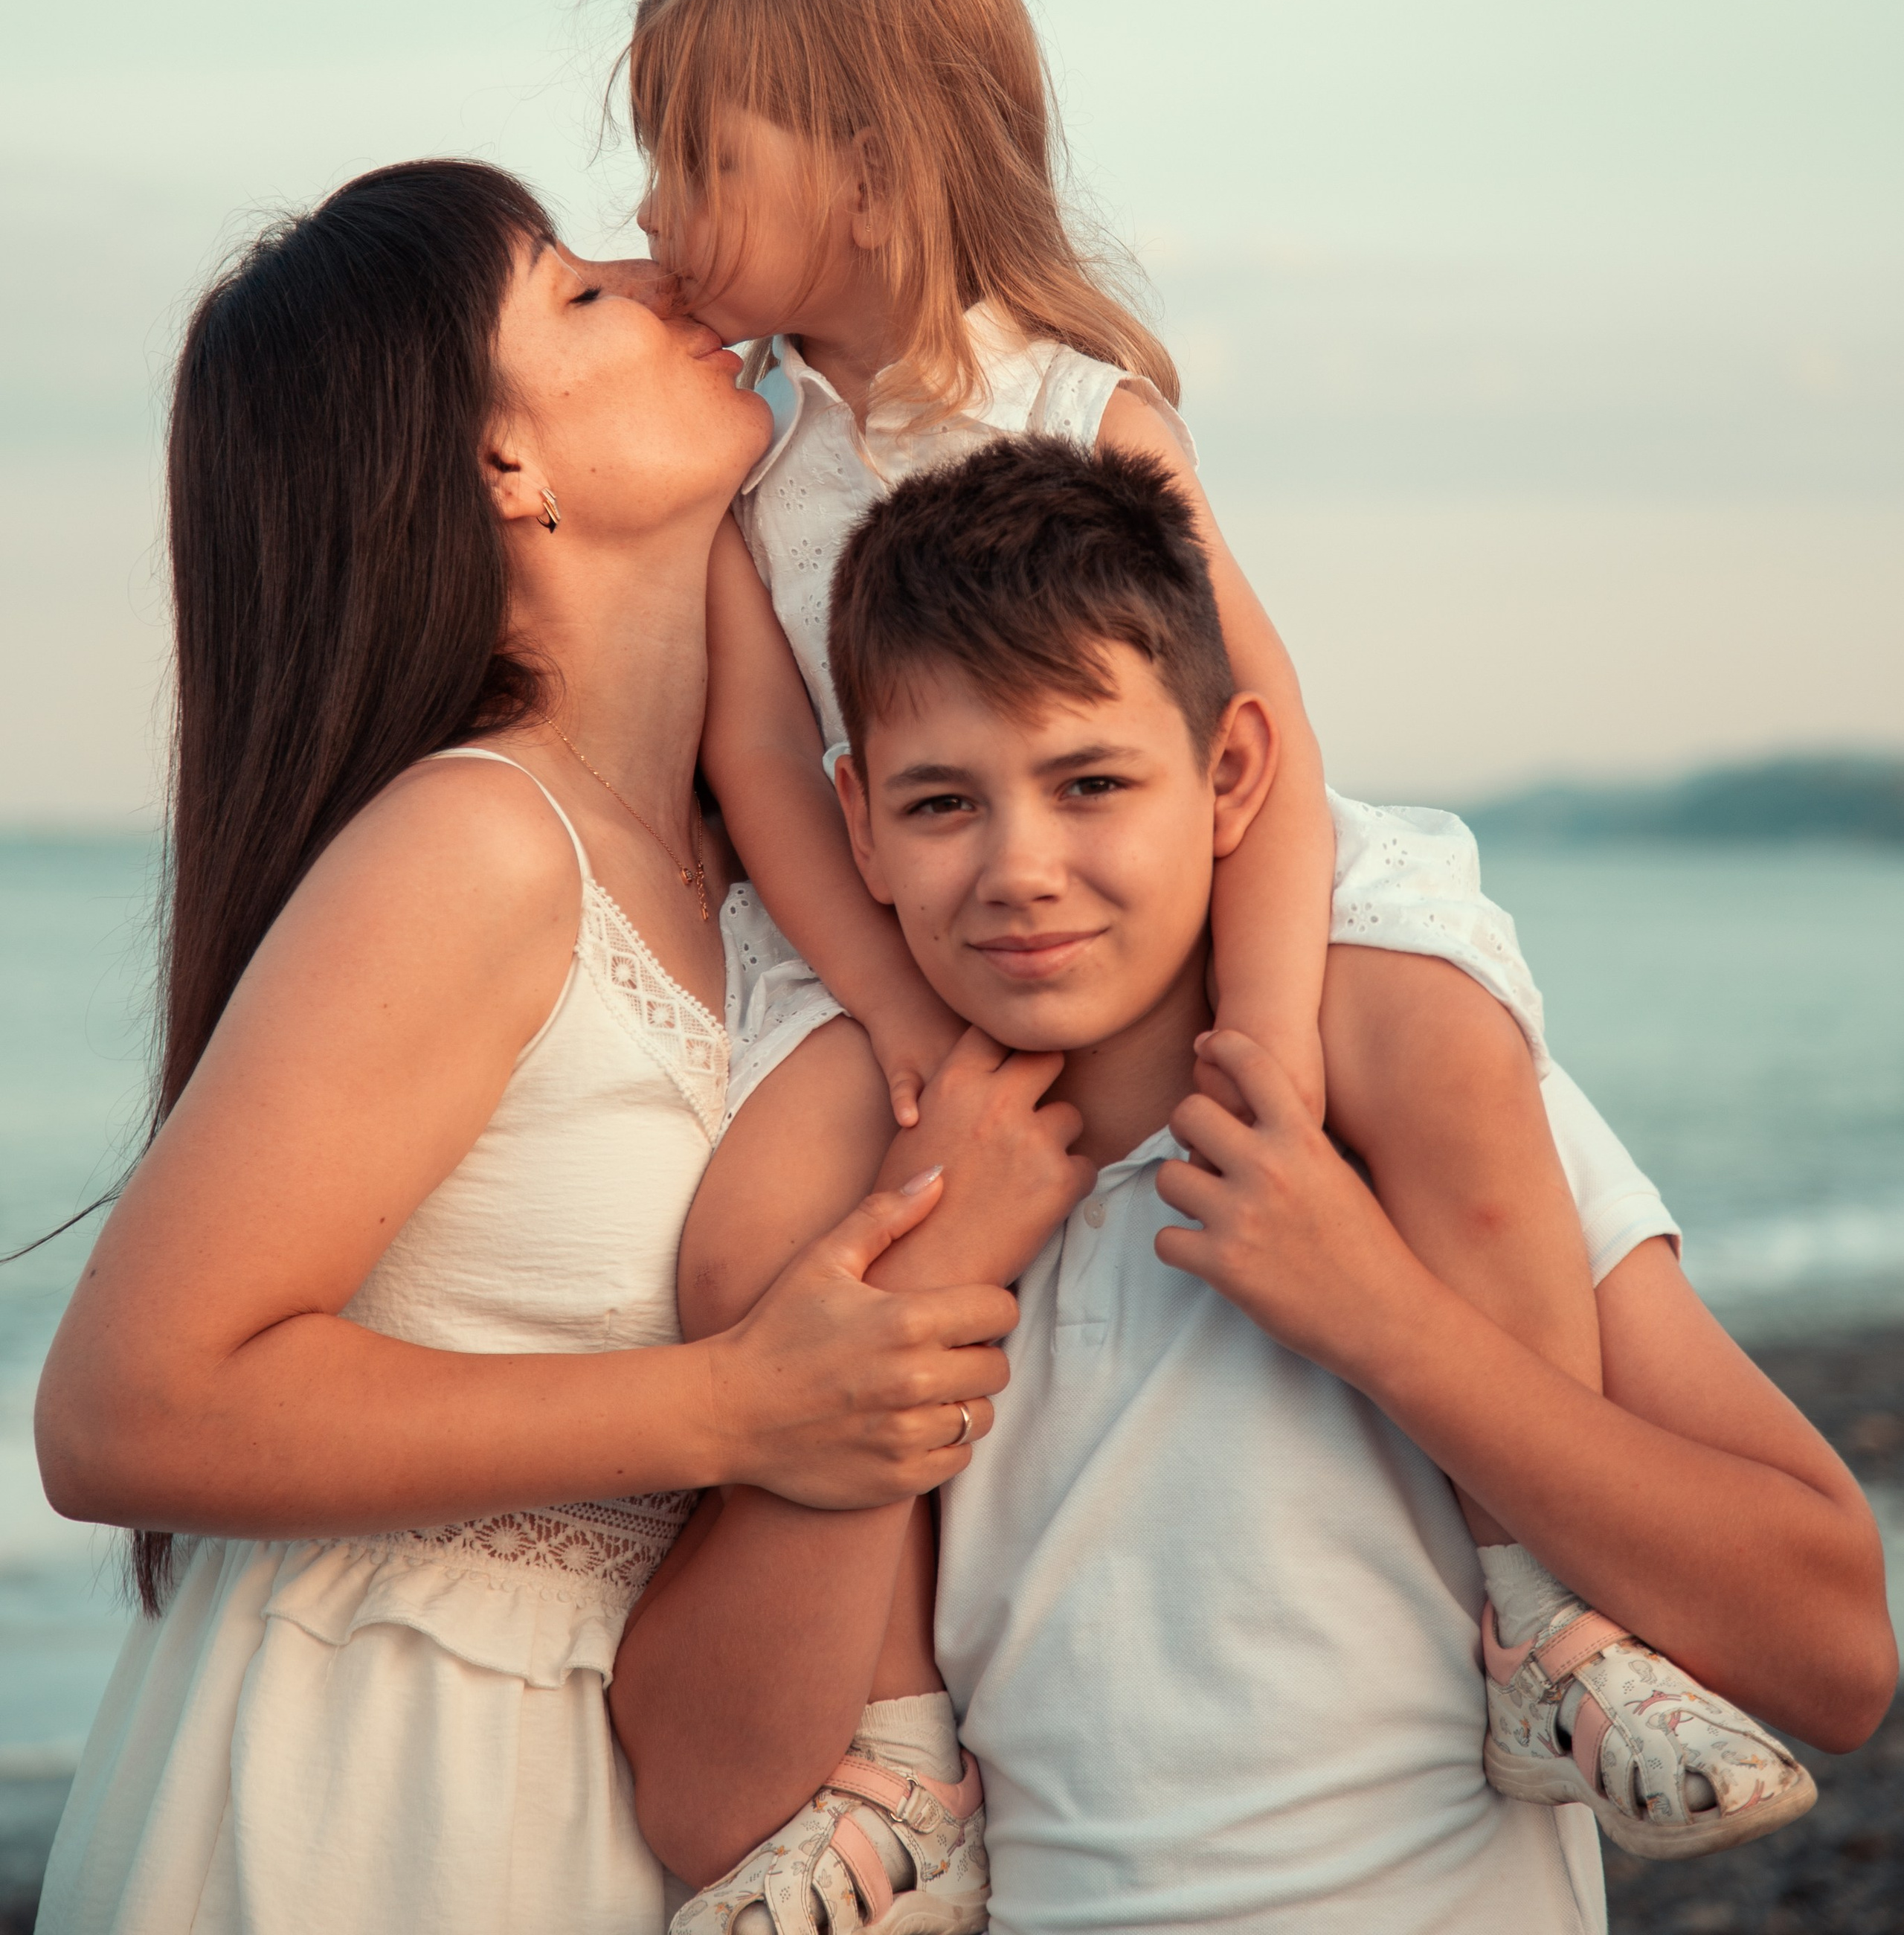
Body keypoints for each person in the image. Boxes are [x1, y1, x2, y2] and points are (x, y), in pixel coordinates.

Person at [617, 0, 1823, 1825]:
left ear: (860, 169)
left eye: (695, 157)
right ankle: (895, 1752)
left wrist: (1261, 1041)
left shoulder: (1083, 404)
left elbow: (1270, 732)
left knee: (1438, 1051)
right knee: (759, 1233)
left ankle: (1543, 1621)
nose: (653, 215)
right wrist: (900, 1035)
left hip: (1194, 892)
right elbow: (768, 766)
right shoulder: (746, 464)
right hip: (893, 915)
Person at [615, 437, 1896, 1934]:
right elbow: (706, 1801)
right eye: (941, 805)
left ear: (1227, 774)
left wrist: (1383, 1318)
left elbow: (1832, 1649)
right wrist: (927, 1282)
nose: (1020, 866)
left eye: (1090, 781)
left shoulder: (1417, 1119)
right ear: (857, 827)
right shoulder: (865, 1213)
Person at [31, 158, 1014, 1935]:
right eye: (577, 292)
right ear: (504, 470)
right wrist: (732, 1404)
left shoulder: (766, 891)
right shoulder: (475, 845)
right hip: (387, 1792)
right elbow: (123, 1410)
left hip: (645, 1784)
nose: (668, 277)